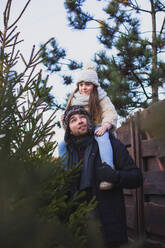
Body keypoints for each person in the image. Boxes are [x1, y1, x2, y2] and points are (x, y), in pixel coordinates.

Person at [59, 105, 142, 248]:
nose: (80, 121)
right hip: (80, 230)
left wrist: (115, 177)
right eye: (73, 120)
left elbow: (136, 177)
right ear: (69, 130)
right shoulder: (66, 156)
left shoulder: (110, 144)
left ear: (88, 121)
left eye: (82, 117)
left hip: (110, 229)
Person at [59, 61, 118, 190]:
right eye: (81, 85)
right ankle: (64, 175)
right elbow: (70, 120)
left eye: (87, 84)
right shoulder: (74, 99)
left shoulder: (101, 97)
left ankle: (108, 171)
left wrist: (106, 125)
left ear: (94, 85)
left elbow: (110, 112)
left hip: (97, 126)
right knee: (62, 145)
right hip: (81, 129)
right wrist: (64, 120)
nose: (83, 88)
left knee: (102, 138)